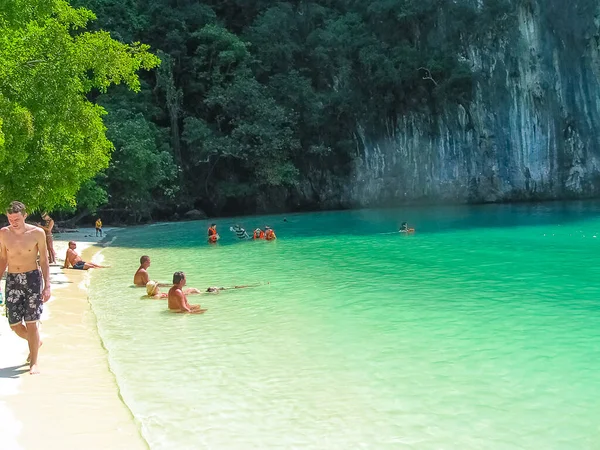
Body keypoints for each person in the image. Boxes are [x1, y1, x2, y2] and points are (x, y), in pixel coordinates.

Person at [0, 201, 50, 375]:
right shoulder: (4, 233)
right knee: (14, 324)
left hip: (32, 279)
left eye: (17, 218)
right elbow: (3, 259)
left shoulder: (37, 233)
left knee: (31, 322)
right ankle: (36, 342)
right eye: (10, 219)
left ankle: (34, 363)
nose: (14, 222)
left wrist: (47, 285)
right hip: (13, 279)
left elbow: (43, 260)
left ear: (25, 215)